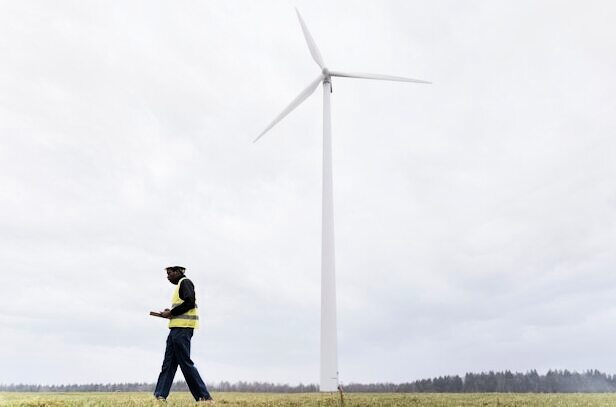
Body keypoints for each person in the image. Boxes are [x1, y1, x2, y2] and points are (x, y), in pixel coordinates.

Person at [153, 266, 214, 403]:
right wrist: (171, 311)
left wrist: (171, 313)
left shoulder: (185, 282)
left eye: (169, 273)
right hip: (175, 329)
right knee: (168, 364)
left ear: (178, 272)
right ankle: (159, 396)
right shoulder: (180, 285)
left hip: (182, 330)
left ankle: (204, 397)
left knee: (185, 363)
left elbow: (190, 302)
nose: (167, 276)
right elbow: (184, 305)